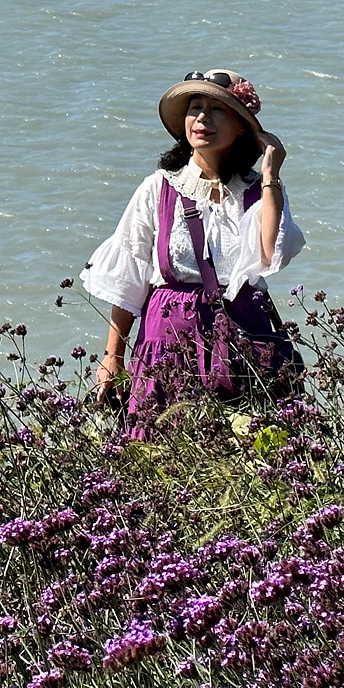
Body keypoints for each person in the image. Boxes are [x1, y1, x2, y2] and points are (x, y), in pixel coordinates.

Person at [83, 68, 304, 431]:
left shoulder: (259, 191)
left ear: (242, 126)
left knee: (249, 443)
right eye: (195, 108)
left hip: (244, 335)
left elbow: (269, 254)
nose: (202, 118)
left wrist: (271, 176)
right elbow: (129, 277)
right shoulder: (158, 188)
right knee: (158, 443)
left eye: (217, 110)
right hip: (166, 337)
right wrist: (113, 356)